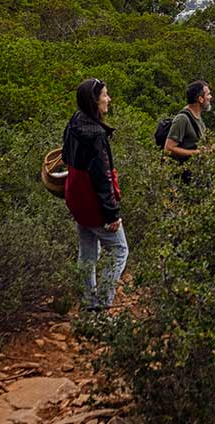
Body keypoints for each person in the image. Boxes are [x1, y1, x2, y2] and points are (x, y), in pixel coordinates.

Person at [62, 78, 127, 310]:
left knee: (88, 250)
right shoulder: (96, 135)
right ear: (94, 100)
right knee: (120, 250)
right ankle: (102, 303)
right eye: (105, 95)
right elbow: (102, 178)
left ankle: (88, 302)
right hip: (92, 202)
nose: (108, 100)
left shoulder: (74, 123)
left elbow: (65, 156)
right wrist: (112, 214)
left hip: (75, 197)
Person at [163, 79, 213, 174]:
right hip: (183, 175)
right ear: (200, 99)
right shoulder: (182, 119)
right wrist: (196, 153)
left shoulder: (199, 119)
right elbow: (168, 148)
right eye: (208, 94)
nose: (210, 97)